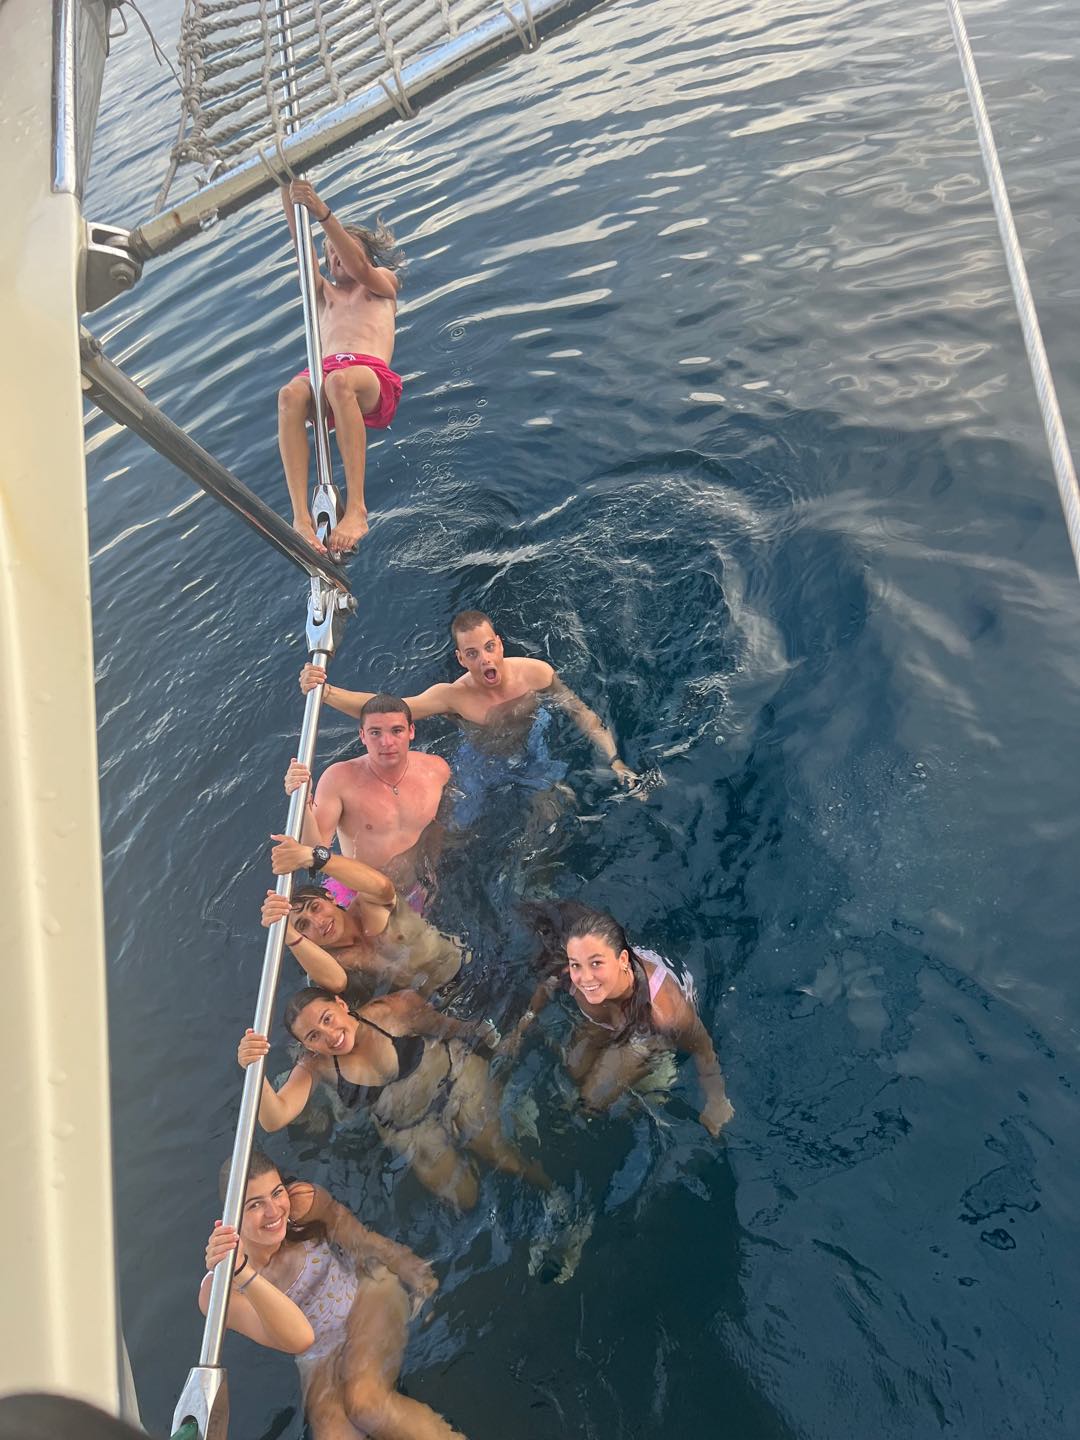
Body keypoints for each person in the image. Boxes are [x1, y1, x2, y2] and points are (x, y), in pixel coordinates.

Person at [200, 1150, 465, 1439]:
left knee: (365, 1402)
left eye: (276, 1193)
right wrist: (242, 1271)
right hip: (318, 1353)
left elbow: (361, 1239)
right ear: (230, 1217)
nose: (274, 1212)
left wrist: (412, 1268)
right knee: (333, 1434)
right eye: (255, 1205)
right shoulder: (220, 1293)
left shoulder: (302, 1204)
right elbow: (299, 1340)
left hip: (365, 1296)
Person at [299, 611, 641, 820]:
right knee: (455, 827)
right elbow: (387, 710)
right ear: (461, 658)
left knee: (554, 810)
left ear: (500, 644)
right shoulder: (452, 696)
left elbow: (581, 713)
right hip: (480, 759)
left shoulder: (536, 674)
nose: (485, 660)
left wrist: (615, 760)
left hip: (532, 747)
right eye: (473, 654)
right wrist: (326, 693)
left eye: (489, 648)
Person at [240, 987, 550, 1208]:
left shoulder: (391, 1011)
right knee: (465, 1198)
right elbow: (274, 1118)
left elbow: (455, 1028)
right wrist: (254, 1070)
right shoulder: (315, 1065)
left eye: (327, 1018)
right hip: (410, 1129)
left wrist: (502, 1044)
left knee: (504, 1157)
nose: (329, 1036)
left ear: (340, 1004)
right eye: (314, 1036)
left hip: (455, 1082)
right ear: (307, 1046)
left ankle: (551, 1191)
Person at [504, 905, 734, 1136]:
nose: (585, 978)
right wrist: (522, 1026)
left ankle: (644, 1092)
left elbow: (702, 1046)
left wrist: (717, 1101)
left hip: (644, 1032)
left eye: (596, 963)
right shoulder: (571, 975)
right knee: (574, 1069)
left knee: (592, 1100)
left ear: (623, 959)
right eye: (576, 965)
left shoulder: (664, 1010)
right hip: (609, 1018)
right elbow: (547, 986)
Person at [277, 178, 404, 555]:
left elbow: (361, 268)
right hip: (327, 373)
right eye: (329, 253)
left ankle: (357, 509)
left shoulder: (381, 284)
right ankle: (301, 518)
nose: (335, 257)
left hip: (368, 375)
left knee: (338, 383)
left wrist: (322, 213)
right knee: (289, 396)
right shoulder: (323, 294)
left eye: (341, 249)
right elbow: (301, 249)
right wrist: (284, 188)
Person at [288, 693, 450, 907]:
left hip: (418, 887)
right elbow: (313, 854)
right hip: (360, 896)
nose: (386, 742)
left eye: (396, 730)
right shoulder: (339, 780)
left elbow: (442, 824)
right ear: (362, 736)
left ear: (411, 731)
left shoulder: (437, 771)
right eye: (375, 733)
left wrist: (434, 871)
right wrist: (304, 804)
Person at [262, 835, 465, 1001]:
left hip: (463, 969)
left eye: (315, 908)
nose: (318, 922)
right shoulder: (333, 961)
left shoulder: (368, 906)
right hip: (433, 1004)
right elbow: (337, 983)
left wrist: (314, 857)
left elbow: (383, 887)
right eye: (303, 925)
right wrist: (285, 932)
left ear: (331, 897)